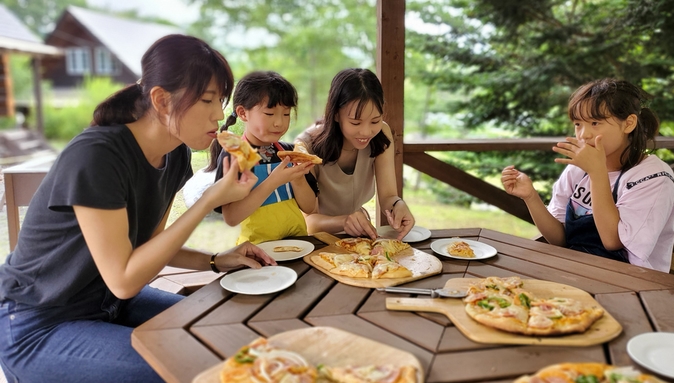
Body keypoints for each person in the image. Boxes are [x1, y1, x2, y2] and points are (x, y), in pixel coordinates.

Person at [0, 34, 276, 383]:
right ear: (161, 100)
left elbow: (149, 248)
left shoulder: (176, 154)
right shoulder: (98, 156)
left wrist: (215, 260)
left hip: (109, 306)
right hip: (38, 323)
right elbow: (124, 281)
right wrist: (210, 199)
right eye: (207, 100)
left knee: (224, 337)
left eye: (220, 100)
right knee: (192, 367)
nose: (219, 115)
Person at [501, 78, 674, 272]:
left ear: (628, 124)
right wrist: (531, 197)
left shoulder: (654, 178)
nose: (584, 135)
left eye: (595, 123)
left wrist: (597, 172)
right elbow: (559, 239)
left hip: (634, 285)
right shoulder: (578, 168)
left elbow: (612, 242)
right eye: (578, 124)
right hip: (576, 272)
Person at [297, 68, 415, 240]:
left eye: (375, 120)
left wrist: (399, 205)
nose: (366, 132)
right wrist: (344, 221)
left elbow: (388, 196)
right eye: (355, 122)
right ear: (336, 114)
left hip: (358, 238)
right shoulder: (307, 145)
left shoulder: (381, 133)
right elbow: (309, 222)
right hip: (317, 241)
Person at [207, 71, 317, 245]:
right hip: (256, 251)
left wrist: (298, 179)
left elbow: (310, 208)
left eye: (286, 114)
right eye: (270, 114)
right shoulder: (236, 154)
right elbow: (232, 218)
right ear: (243, 113)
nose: (279, 122)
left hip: (297, 244)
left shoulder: (289, 152)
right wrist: (273, 181)